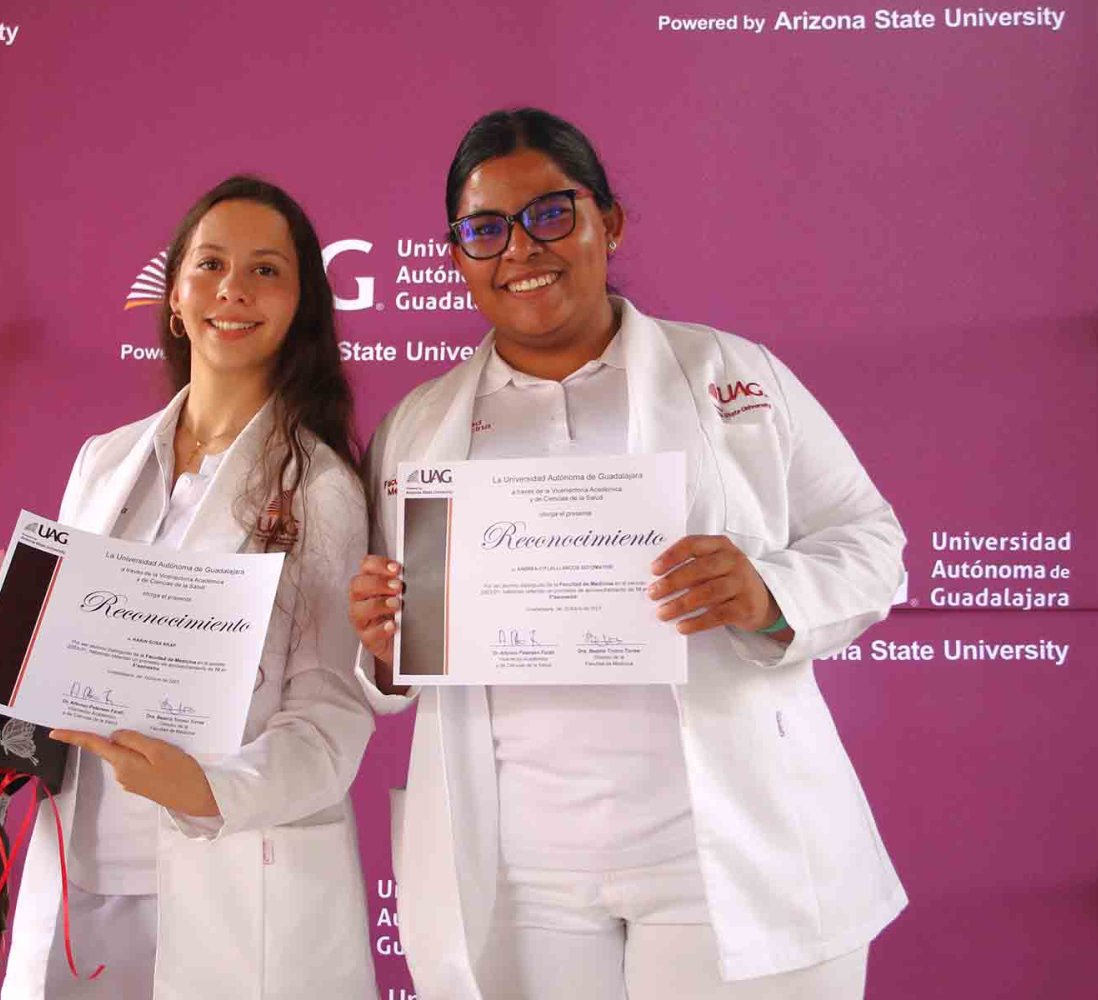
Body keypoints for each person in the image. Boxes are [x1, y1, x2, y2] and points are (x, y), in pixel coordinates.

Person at [348, 109, 907, 1000]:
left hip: (720, 856)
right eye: (485, 229)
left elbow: (870, 541)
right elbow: (392, 649)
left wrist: (767, 592)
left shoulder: (732, 375)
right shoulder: (419, 427)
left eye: (550, 213)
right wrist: (385, 644)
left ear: (608, 222)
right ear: (457, 256)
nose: (520, 249)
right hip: (521, 875)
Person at [0, 176, 378, 999]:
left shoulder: (322, 490)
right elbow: (42, 657)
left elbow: (331, 718)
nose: (233, 289)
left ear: (300, 305)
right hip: (81, 874)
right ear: (174, 295)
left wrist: (209, 790)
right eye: (211, 264)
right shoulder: (103, 461)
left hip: (230, 875)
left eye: (266, 270)